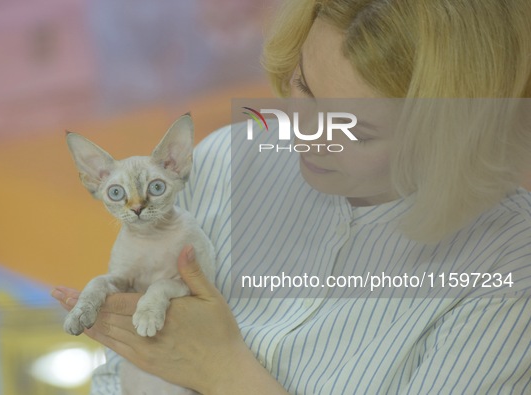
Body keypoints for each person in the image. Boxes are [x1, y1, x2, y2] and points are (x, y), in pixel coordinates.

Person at [51, 0, 531, 393]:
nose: (303, 134)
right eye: (303, 84)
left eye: (356, 130)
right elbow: (117, 375)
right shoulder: (225, 160)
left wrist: (226, 373)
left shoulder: (509, 274)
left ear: (453, 134)